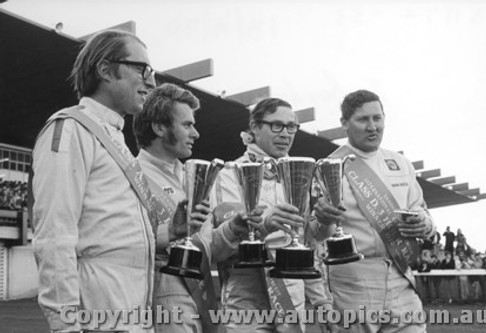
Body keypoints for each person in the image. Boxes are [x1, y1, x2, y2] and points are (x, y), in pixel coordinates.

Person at [30, 30, 156, 332]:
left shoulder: (117, 138)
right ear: (104, 70)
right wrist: (65, 325)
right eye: (142, 69)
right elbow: (54, 234)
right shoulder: (71, 128)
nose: (151, 81)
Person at [133, 82, 261, 333]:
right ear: (159, 127)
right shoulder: (131, 177)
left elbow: (206, 249)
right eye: (187, 125)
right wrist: (168, 232)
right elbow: (120, 244)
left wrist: (234, 229)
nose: (196, 134)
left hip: (203, 301)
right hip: (160, 304)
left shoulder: (193, 177)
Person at [314, 89, 436, 332]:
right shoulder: (327, 167)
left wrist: (425, 225)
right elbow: (315, 233)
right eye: (363, 119)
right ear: (344, 124)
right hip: (352, 282)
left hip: (400, 276)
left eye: (377, 118)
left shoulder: (401, 163)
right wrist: (322, 218)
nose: (373, 127)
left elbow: (423, 213)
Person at [212, 97, 335, 333]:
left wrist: (322, 300)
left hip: (293, 306)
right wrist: (264, 225)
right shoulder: (229, 174)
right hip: (246, 307)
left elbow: (308, 245)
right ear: (255, 127)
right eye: (276, 125)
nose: (285, 134)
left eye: (292, 127)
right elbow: (219, 247)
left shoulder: (300, 175)